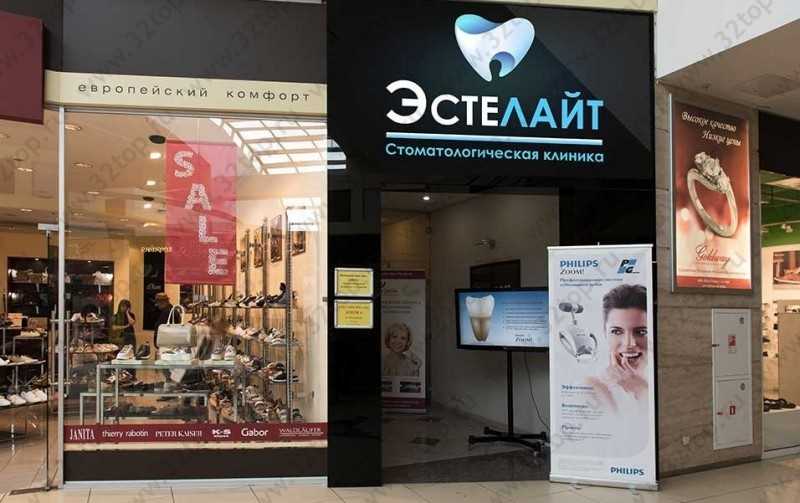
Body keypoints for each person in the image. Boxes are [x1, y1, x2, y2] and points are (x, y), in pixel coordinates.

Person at [586, 284, 649, 414]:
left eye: (641, 332)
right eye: (616, 331)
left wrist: (642, 389)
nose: (629, 343)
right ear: (604, 332)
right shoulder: (592, 387)